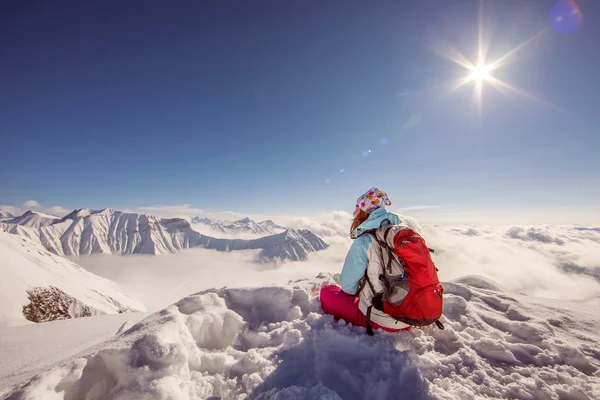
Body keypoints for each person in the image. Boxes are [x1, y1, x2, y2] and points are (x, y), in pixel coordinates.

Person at [320, 187, 411, 332]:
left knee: (326, 292)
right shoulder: (402, 234)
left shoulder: (364, 241)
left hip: (382, 319)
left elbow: (348, 288)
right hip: (412, 313)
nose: (353, 212)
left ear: (365, 210)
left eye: (357, 208)